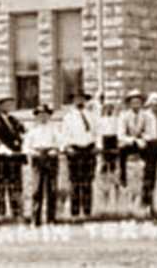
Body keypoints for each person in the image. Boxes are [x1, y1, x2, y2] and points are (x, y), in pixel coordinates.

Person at [118, 90, 157, 213]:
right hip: (130, 143)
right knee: (121, 148)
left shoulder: (148, 115)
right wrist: (134, 140)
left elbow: (152, 133)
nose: (136, 104)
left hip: (145, 143)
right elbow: (121, 134)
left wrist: (143, 139)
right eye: (133, 102)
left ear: (142, 103)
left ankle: (149, 181)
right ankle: (122, 175)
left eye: (138, 101)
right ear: (129, 103)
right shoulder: (124, 116)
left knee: (153, 149)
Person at [0, 95, 25, 221]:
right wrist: (2, 147)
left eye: (10, 103)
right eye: (6, 104)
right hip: (2, 158)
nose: (9, 106)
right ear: (0, 106)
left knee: (16, 184)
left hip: (14, 157)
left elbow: (22, 132)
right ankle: (0, 213)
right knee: (0, 185)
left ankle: (17, 212)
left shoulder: (13, 119)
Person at [23, 103, 61, 226]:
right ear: (36, 117)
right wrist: (33, 152)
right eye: (40, 115)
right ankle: (36, 218)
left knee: (52, 189)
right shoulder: (32, 131)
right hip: (37, 158)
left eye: (45, 115)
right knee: (36, 189)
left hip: (50, 157)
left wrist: (55, 150)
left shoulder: (54, 129)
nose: (42, 118)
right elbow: (26, 147)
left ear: (49, 116)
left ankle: (51, 218)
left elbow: (61, 142)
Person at [61, 90, 97, 219]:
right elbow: (64, 134)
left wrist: (96, 146)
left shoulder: (92, 115)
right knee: (75, 182)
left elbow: (97, 132)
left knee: (88, 181)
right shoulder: (68, 117)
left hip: (89, 149)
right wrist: (67, 147)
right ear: (73, 101)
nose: (79, 101)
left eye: (82, 99)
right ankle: (75, 212)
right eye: (77, 99)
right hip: (74, 150)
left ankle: (87, 211)